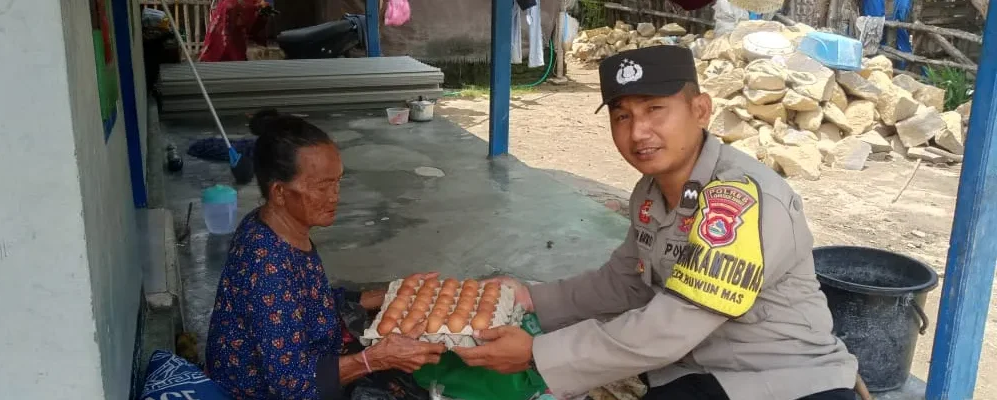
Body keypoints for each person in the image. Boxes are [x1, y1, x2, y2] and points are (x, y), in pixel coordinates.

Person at [453, 46, 860, 400]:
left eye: (654, 109)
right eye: (622, 116)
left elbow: (676, 322)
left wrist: (539, 353)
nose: (638, 132)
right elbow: (626, 280)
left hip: (781, 378)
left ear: (700, 110)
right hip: (698, 369)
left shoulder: (740, 199)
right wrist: (532, 299)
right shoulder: (650, 192)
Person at [205, 110, 446, 399]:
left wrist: (384, 295)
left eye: (337, 182)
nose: (335, 196)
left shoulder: (275, 224)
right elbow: (292, 385)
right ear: (280, 192)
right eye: (322, 186)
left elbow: (301, 302)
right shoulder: (265, 264)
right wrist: (374, 359)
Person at [198, 0, 274, 62]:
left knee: (236, 48)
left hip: (236, 26)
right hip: (228, 15)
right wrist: (257, 6)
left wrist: (262, 6)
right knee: (222, 45)